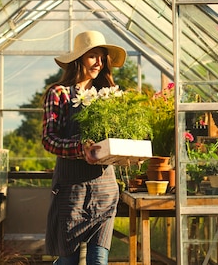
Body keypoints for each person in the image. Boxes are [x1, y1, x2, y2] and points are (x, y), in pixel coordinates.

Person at [42, 30, 127, 265]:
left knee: (98, 260)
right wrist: (81, 148)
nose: (99, 62)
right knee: (68, 261)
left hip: (104, 191)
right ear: (78, 60)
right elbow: (49, 139)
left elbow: (118, 138)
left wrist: (128, 152)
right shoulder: (59, 94)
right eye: (92, 56)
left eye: (102, 57)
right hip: (72, 193)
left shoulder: (108, 97)